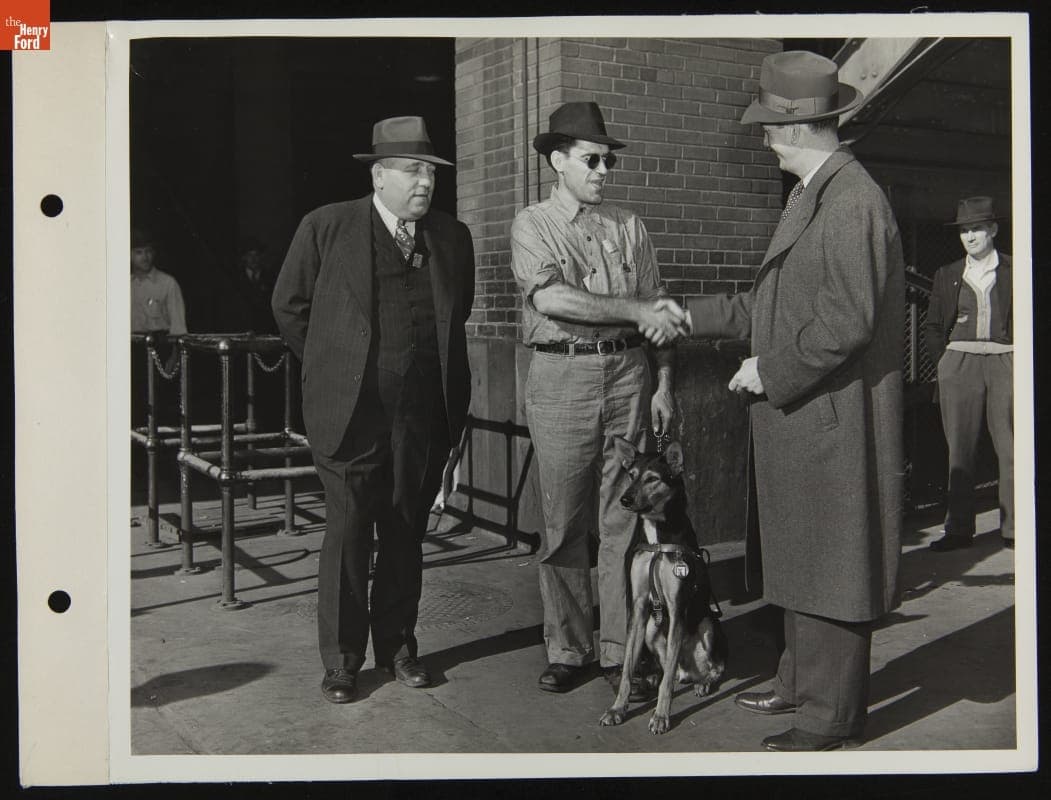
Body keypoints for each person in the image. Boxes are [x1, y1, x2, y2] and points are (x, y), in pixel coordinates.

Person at [680, 51, 905, 751]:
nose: (763, 138)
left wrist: (764, 372)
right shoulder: (819, 192)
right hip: (811, 419)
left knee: (831, 567)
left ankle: (828, 719)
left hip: (826, 418)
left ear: (799, 125)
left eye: (768, 128)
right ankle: (799, 683)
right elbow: (770, 303)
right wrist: (686, 315)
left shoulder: (851, 200)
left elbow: (843, 323)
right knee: (803, 560)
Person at [271, 116, 475, 704]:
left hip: (421, 413)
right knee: (349, 528)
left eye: (430, 173)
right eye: (412, 171)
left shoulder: (451, 238)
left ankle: (399, 648)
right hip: (349, 412)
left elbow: (454, 314)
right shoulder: (327, 226)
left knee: (406, 527)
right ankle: (342, 661)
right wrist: (334, 362)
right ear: (379, 175)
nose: (425, 183)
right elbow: (289, 306)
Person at [510, 101, 688, 695]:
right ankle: (568, 646)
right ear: (557, 161)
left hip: (628, 379)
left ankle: (620, 650)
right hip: (563, 380)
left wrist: (663, 383)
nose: (603, 170)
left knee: (623, 519)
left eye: (607, 160)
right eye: (591, 160)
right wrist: (635, 310)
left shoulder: (628, 226)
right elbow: (553, 300)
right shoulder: (532, 224)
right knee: (563, 522)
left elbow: (657, 309)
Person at [923, 197, 1013, 551]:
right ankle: (959, 529)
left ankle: (1015, 528)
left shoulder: (1016, 269)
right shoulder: (948, 274)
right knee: (959, 449)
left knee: (1011, 448)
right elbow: (932, 327)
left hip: (1007, 360)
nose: (970, 236)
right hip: (959, 364)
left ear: (993, 229)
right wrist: (945, 361)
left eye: (976, 228)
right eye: (964, 230)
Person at [130, 227, 187, 336]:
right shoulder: (122, 285)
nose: (145, 257)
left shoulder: (168, 283)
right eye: (139, 252)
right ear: (130, 255)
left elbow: (178, 328)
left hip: (160, 346)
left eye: (148, 251)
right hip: (129, 347)